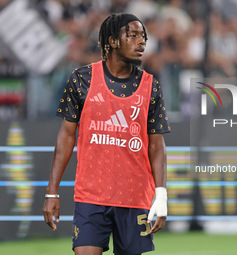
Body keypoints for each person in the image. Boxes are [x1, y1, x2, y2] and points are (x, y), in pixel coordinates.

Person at [43, 12, 170, 255]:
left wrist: (161, 196)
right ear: (112, 41)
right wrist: (52, 191)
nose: (141, 42)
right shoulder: (82, 79)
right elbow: (66, 137)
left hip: (134, 198)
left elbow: (156, 146)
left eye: (143, 36)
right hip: (91, 197)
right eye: (132, 36)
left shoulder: (151, 85)